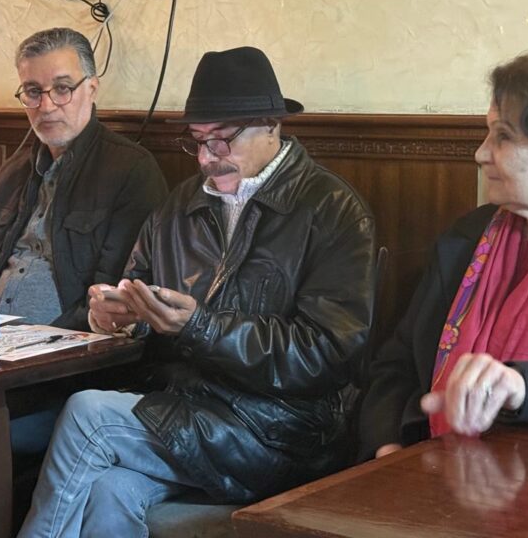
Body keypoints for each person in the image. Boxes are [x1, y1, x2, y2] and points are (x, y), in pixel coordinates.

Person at [19, 46, 377, 537]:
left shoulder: (331, 209)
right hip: (188, 410)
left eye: (223, 140)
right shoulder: (179, 207)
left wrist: (200, 326)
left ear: (271, 125)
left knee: (89, 414)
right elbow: (137, 290)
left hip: (284, 430)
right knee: (111, 490)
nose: (208, 157)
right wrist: (119, 319)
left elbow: (329, 353)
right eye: (199, 141)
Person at [359, 47, 528, 461]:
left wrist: (522, 384)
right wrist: (386, 447)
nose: (480, 153)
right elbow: (396, 364)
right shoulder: (466, 238)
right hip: (432, 468)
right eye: (488, 133)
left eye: (504, 136)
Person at [0, 27, 168, 329]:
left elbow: (114, 296)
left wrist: (48, 338)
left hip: (67, 344)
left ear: (92, 89)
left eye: (62, 88)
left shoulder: (131, 170)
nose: (46, 106)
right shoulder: (14, 170)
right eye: (33, 91)